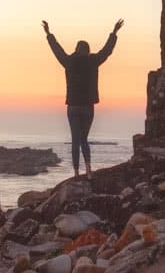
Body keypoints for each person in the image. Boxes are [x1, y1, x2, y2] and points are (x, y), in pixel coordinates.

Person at [41, 17, 124, 177]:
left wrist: (49, 33)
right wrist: (114, 32)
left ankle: (77, 173)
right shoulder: (93, 60)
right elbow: (107, 50)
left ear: (77, 49)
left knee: (75, 140)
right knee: (83, 139)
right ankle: (88, 170)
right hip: (87, 107)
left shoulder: (69, 61)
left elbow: (57, 50)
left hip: (72, 106)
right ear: (87, 50)